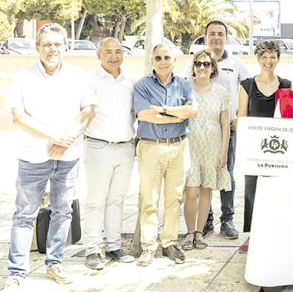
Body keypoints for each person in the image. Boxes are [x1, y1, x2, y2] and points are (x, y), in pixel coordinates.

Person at [0, 23, 95, 292]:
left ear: (64, 46)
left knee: (62, 211)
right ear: (37, 48)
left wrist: (66, 139)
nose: (52, 49)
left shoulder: (78, 76)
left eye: (56, 44)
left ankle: (55, 264)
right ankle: (16, 274)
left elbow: (88, 111)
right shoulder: (23, 77)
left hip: (69, 156)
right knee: (24, 215)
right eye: (46, 44)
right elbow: (18, 117)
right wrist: (54, 136)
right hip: (33, 157)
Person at [133, 44, 198, 267]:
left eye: (167, 57)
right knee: (150, 199)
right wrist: (175, 114)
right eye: (158, 57)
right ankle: (148, 246)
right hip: (151, 146)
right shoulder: (142, 86)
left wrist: (160, 109)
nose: (163, 61)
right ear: (152, 60)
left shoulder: (184, 85)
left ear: (174, 60)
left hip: (179, 147)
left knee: (174, 198)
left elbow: (192, 111)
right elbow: (143, 115)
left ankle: (169, 242)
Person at [81, 37, 137, 271]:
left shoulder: (130, 82)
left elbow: (135, 113)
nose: (114, 56)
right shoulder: (90, 81)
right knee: (95, 201)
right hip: (99, 147)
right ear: (98, 55)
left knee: (117, 199)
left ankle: (113, 246)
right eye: (108, 52)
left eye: (118, 51)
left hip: (125, 147)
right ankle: (92, 249)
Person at [237, 41, 292, 252]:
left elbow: (289, 118)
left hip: (280, 149)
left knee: (277, 190)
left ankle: (276, 232)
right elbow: (242, 118)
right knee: (253, 191)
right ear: (258, 59)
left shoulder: (287, 85)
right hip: (254, 149)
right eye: (264, 57)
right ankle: (252, 236)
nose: (269, 61)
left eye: (273, 57)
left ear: (278, 59)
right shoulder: (247, 85)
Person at [199, 21, 250, 240]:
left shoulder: (235, 63)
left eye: (220, 34)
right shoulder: (198, 62)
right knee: (204, 174)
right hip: (202, 130)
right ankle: (206, 219)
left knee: (226, 172)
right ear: (205, 36)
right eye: (212, 33)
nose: (216, 37)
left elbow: (249, 89)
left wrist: (240, 116)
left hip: (228, 130)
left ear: (226, 37)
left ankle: (227, 219)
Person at [182, 50, 232, 251]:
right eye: (198, 64)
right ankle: (188, 232)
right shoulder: (185, 88)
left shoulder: (221, 93)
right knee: (191, 191)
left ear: (213, 67)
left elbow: (225, 125)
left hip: (212, 145)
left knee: (205, 190)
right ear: (193, 67)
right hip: (190, 144)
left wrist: (223, 152)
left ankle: (200, 233)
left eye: (206, 64)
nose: (202, 67)